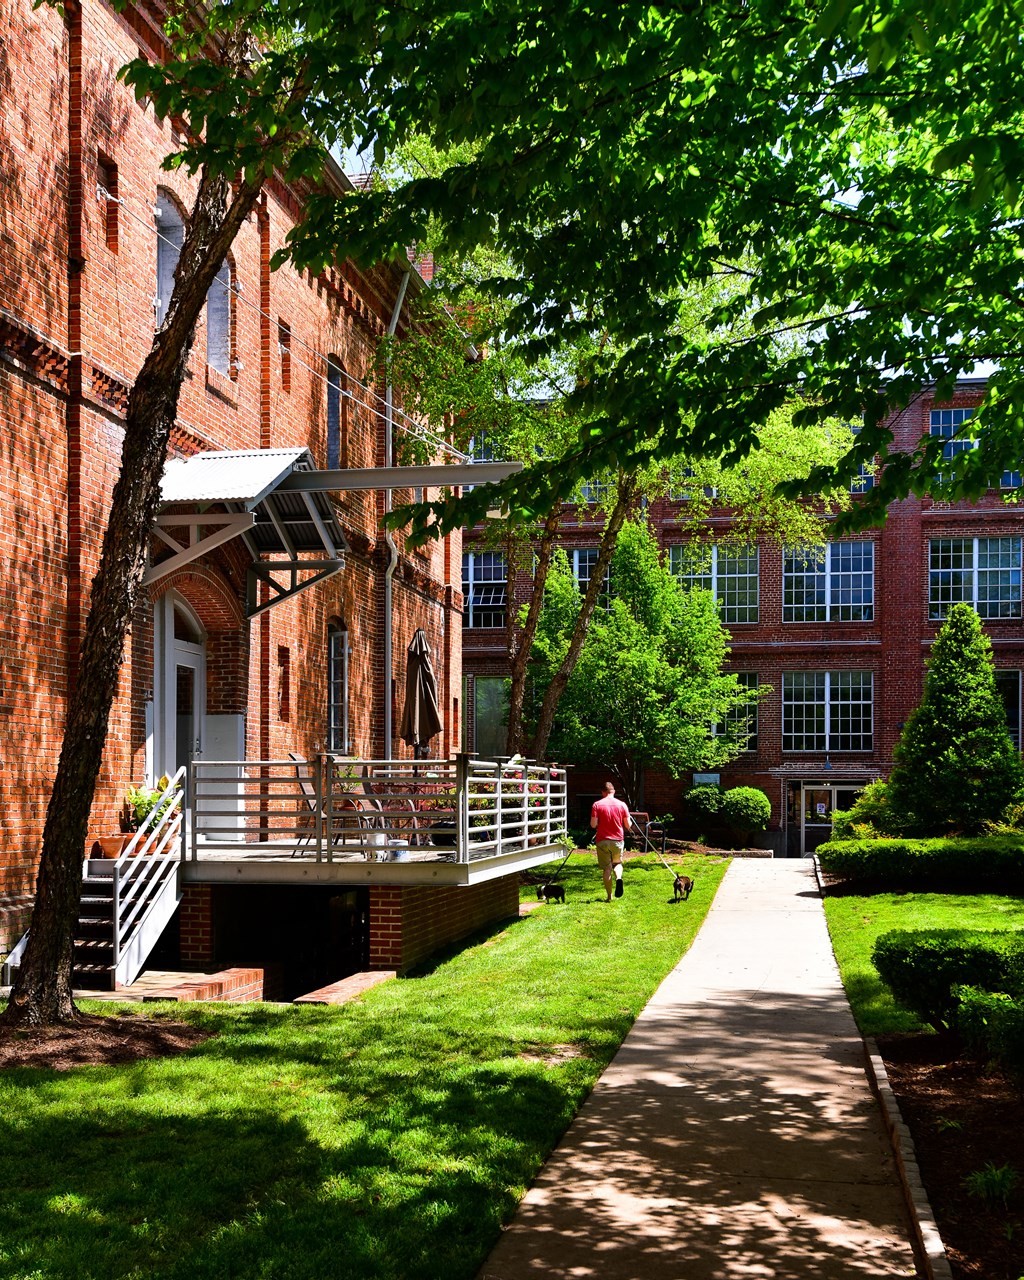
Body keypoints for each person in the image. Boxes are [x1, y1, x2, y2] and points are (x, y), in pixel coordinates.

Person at [590, 780, 631, 901]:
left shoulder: (597, 805)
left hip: (602, 840)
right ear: (613, 791)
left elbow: (593, 824)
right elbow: (628, 825)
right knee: (617, 863)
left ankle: (609, 896)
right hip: (617, 839)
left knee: (606, 868)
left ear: (603, 792)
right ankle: (618, 878)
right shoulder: (622, 805)